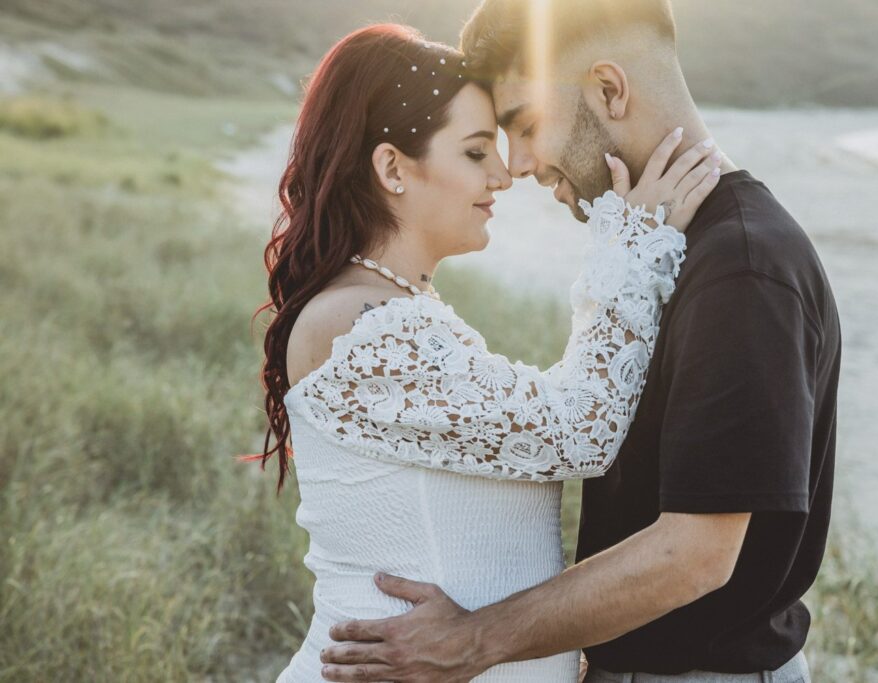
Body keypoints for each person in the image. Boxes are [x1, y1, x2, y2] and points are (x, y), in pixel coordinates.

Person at [319, 1, 841, 682]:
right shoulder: (657, 245)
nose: (520, 165)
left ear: (608, 90)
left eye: (525, 125)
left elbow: (694, 554)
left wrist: (472, 640)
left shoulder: (741, 266)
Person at [249, 22, 722, 682]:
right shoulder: (359, 322)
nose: (505, 174)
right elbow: (578, 426)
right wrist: (633, 245)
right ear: (392, 168)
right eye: (476, 152)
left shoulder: (399, 311)